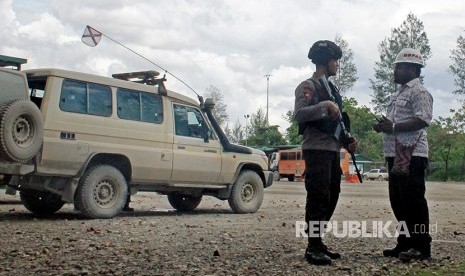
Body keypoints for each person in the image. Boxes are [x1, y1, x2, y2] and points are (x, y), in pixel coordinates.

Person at [294, 40, 358, 265]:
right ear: (325, 60)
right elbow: (300, 114)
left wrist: (348, 140)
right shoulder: (308, 86)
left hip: (332, 149)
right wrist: (325, 107)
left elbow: (338, 123)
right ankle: (312, 246)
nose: (337, 65)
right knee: (318, 196)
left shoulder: (332, 89)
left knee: (332, 195)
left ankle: (318, 241)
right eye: (335, 60)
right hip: (316, 148)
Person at [373, 48, 433, 262]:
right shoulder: (398, 94)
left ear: (413, 69)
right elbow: (393, 123)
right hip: (394, 154)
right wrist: (384, 126)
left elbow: (423, 119)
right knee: (398, 201)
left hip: (412, 154)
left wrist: (394, 126)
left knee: (414, 200)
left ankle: (421, 246)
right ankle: (405, 242)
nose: (395, 70)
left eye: (399, 66)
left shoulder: (420, 92)